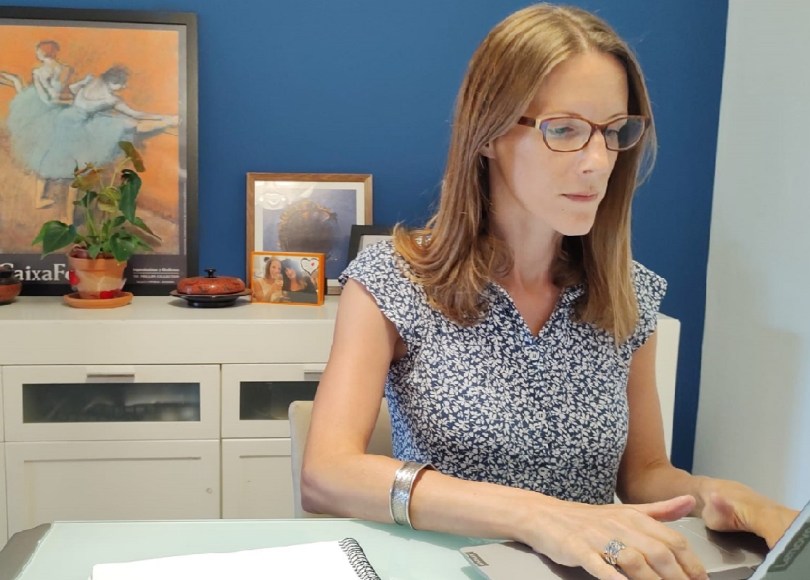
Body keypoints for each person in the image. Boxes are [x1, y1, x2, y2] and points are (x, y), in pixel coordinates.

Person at [301, 5, 798, 580]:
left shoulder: (627, 293)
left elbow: (644, 475)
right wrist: (537, 517)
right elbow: (327, 473)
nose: (598, 162)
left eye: (614, 132)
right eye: (563, 129)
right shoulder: (395, 278)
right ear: (488, 134)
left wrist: (712, 494)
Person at [1, 40, 75, 209]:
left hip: (43, 110)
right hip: (59, 108)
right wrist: (71, 102)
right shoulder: (66, 69)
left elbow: (47, 100)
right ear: (55, 53)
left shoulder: (39, 72)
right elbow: (59, 93)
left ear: (41, 54)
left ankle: (39, 198)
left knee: (43, 155)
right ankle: (43, 195)